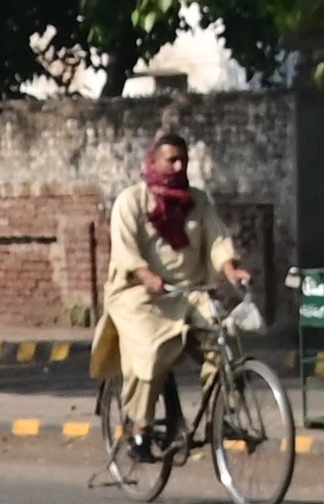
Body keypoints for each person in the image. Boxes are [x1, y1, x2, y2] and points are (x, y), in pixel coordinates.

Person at [95, 126, 248, 457]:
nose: (179, 168)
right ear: (153, 161)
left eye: (184, 161)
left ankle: (220, 416)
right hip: (138, 297)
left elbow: (217, 238)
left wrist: (229, 268)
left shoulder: (199, 202)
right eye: (172, 161)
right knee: (148, 356)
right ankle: (140, 429)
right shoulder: (131, 201)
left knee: (224, 337)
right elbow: (125, 249)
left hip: (189, 291)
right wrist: (145, 274)